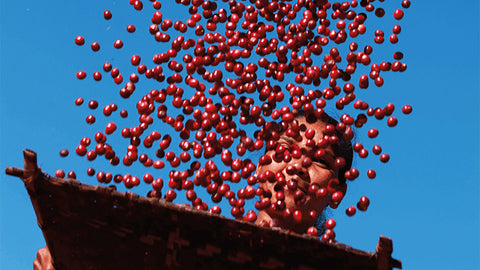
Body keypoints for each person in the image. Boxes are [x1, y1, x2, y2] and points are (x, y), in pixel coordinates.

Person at [33, 110, 353, 269]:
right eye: (286, 146)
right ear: (260, 162)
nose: (296, 163)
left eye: (321, 160)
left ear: (337, 191)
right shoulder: (178, 248)